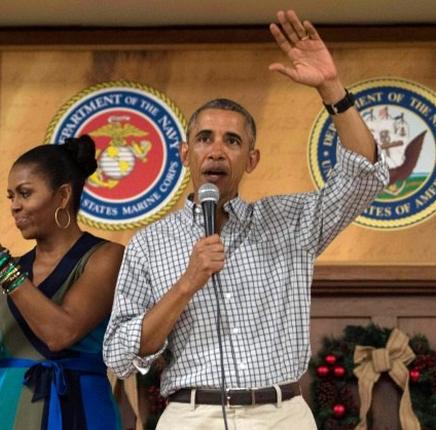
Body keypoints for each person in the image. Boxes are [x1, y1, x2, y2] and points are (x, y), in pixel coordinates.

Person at [103, 11, 386, 430]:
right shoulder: (150, 241)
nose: (217, 151)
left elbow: (364, 176)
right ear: (184, 154)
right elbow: (119, 352)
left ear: (251, 160)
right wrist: (187, 284)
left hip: (281, 414)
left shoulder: (291, 222)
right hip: (190, 414)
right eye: (205, 139)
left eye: (232, 141)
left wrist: (332, 88)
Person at [0, 135, 124, 429]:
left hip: (81, 410)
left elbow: (59, 332)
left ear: (63, 196)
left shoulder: (106, 256)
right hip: (6, 411)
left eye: (25, 193)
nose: (14, 206)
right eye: (10, 197)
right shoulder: (4, 267)